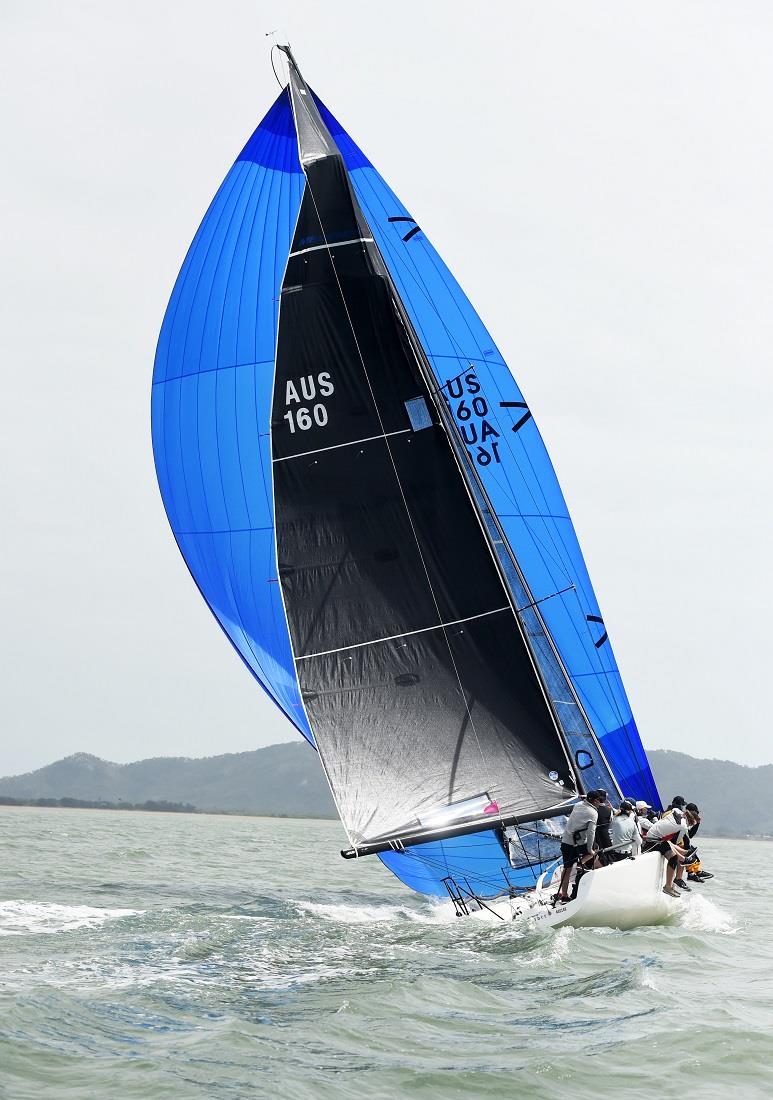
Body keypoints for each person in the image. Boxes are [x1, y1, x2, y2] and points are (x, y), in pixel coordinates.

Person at [555, 790, 606, 904]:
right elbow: (591, 832)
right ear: (595, 800)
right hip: (577, 844)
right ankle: (580, 863)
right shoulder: (593, 813)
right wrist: (590, 850)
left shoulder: (578, 805)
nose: (600, 802)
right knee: (595, 848)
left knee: (566, 868)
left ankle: (564, 895)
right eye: (600, 800)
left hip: (566, 842)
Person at [642, 803, 699, 896]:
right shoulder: (683, 827)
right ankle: (668, 887)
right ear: (690, 821)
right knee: (673, 858)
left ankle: (685, 855)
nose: (690, 826)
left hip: (653, 834)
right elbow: (677, 842)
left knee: (669, 843)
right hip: (653, 840)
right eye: (692, 824)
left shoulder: (676, 810)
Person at [595, 793, 613, 863]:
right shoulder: (609, 810)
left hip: (597, 838)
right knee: (609, 854)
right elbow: (610, 820)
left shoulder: (593, 810)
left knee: (601, 854)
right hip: (606, 837)